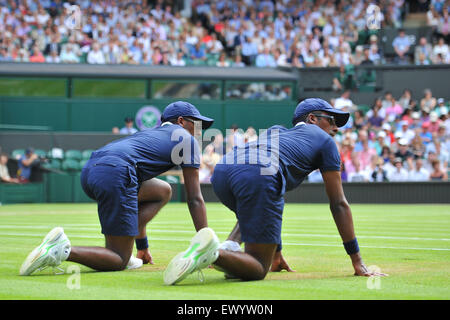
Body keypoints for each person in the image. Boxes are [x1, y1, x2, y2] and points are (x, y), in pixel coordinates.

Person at [163, 98, 387, 285]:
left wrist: (277, 253)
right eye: (331, 120)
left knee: (259, 210)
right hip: (256, 173)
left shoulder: (275, 132)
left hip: (223, 171)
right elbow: (338, 203)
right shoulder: (325, 142)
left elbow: (267, 202)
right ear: (312, 119)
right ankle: (211, 253)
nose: (336, 128)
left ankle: (228, 247)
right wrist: (357, 260)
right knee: (258, 267)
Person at [20, 101, 215, 276]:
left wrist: (142, 246)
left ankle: (130, 247)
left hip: (90, 172)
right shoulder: (186, 140)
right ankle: (62, 249)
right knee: (118, 259)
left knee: (162, 190)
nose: (199, 131)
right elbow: (195, 198)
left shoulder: (147, 134)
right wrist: (205, 247)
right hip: (116, 173)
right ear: (181, 121)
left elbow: (139, 199)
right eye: (196, 124)